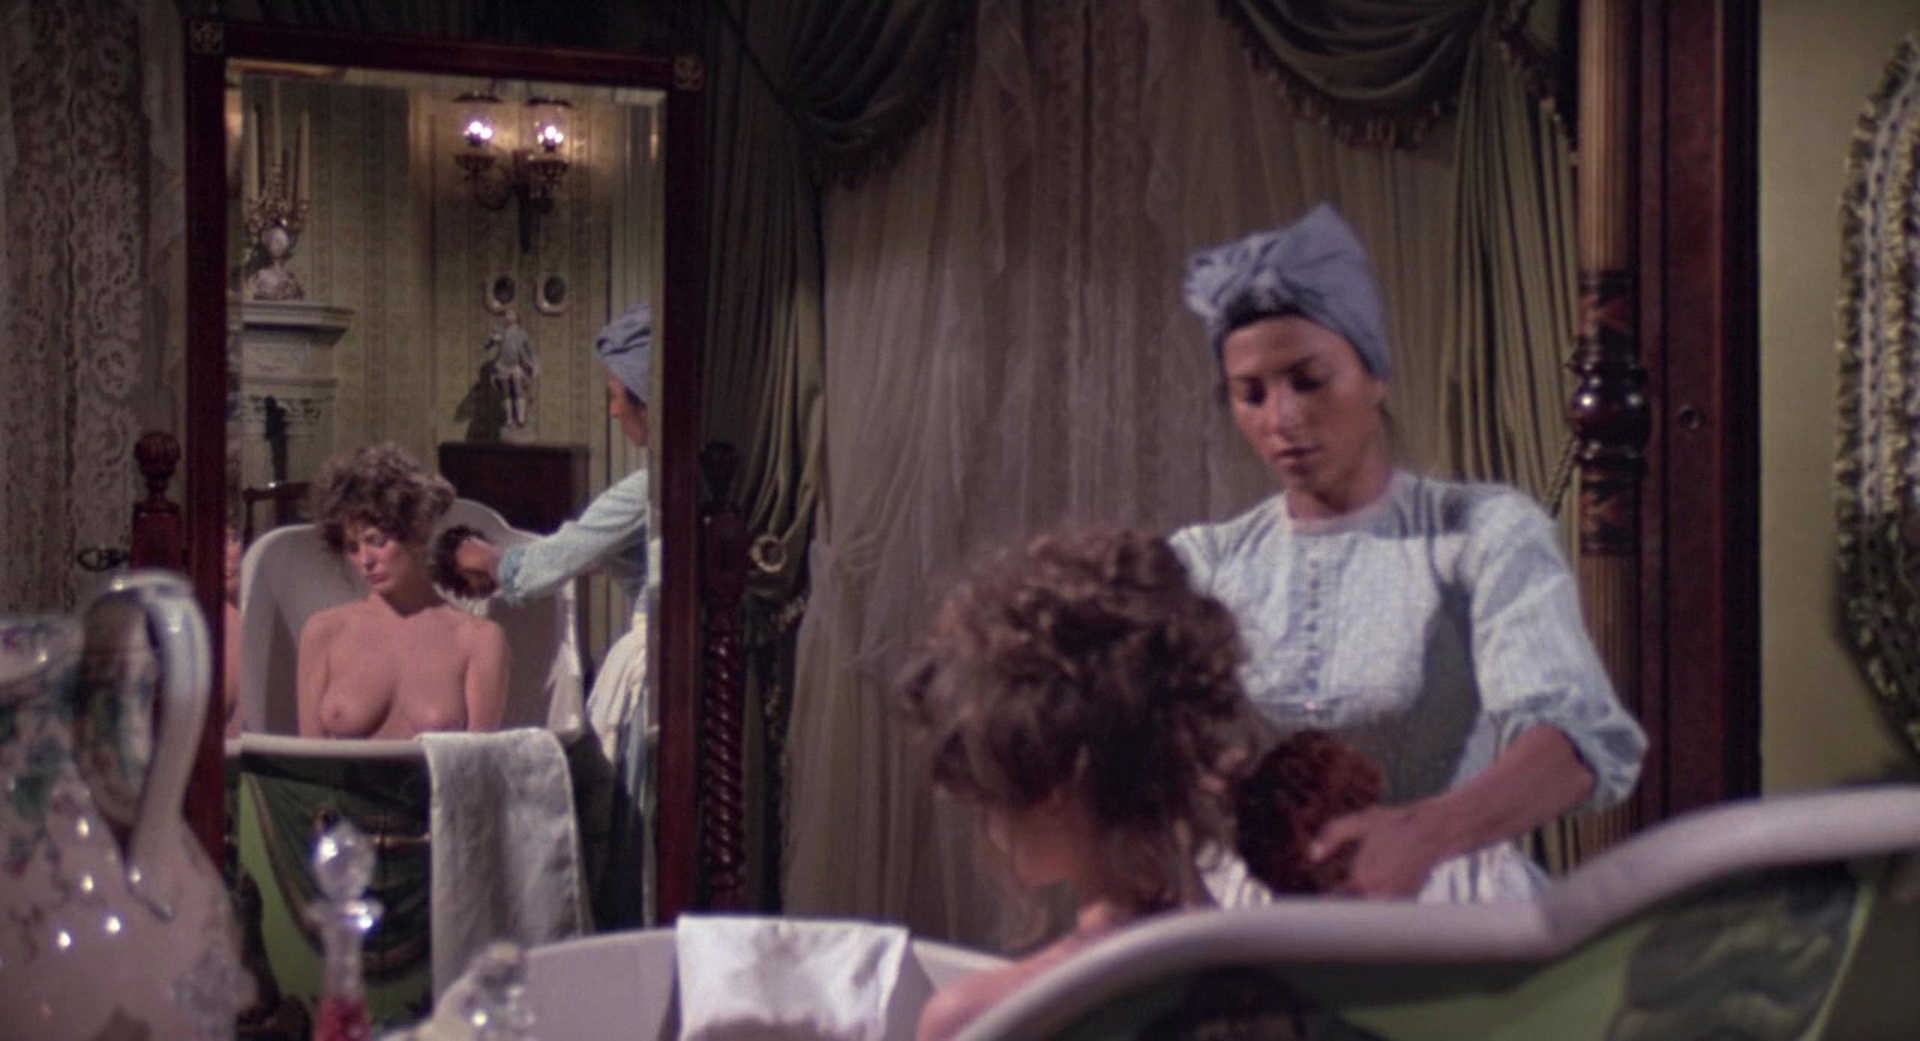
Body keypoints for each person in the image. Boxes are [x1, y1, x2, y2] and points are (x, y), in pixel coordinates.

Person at [1172, 203, 1648, 903]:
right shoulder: (1206, 562)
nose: (1282, 419)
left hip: (1445, 904)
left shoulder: (1479, 532)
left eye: (1309, 380)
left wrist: (1422, 834)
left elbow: (1576, 739)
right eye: (1252, 394)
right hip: (1264, 920)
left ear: (1375, 375)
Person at [898, 526, 1386, 1041]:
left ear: (1053, 785)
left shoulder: (981, 1017)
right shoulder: (1303, 1003)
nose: (985, 819)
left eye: (987, 789)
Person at [297, 442, 509, 739]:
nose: (365, 561)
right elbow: (308, 756)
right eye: (352, 547)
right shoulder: (324, 632)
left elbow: (478, 760)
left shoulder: (478, 639)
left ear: (419, 529)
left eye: (377, 541)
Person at [483, 308, 539, 429]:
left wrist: (534, 364)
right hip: (503, 365)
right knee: (506, 392)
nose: (508, 316)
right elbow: (486, 345)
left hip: (517, 365)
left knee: (518, 390)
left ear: (516, 316)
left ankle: (520, 418)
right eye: (506, 314)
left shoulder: (522, 332)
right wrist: (491, 338)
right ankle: (509, 418)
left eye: (511, 313)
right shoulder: (500, 330)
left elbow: (531, 350)